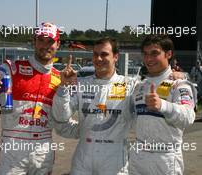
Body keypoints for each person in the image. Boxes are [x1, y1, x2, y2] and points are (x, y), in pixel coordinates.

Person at [0, 22, 79, 175]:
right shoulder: (10, 68)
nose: (45, 45)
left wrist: (91, 128)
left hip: (43, 149)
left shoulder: (61, 78)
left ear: (58, 44)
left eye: (50, 41)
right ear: (34, 42)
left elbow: (62, 121)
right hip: (12, 147)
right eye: (41, 40)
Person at [52, 37, 138, 175]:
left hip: (114, 159)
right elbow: (60, 116)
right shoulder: (80, 83)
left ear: (116, 57)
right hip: (83, 157)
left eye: (104, 54)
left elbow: (152, 92)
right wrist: (63, 87)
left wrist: (172, 75)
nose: (98, 59)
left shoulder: (130, 85)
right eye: (95, 54)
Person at [130, 34, 196, 175]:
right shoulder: (139, 86)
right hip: (138, 156)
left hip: (165, 158)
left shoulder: (179, 84)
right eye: (146, 54)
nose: (148, 59)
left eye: (155, 53)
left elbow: (189, 116)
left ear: (168, 54)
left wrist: (163, 106)